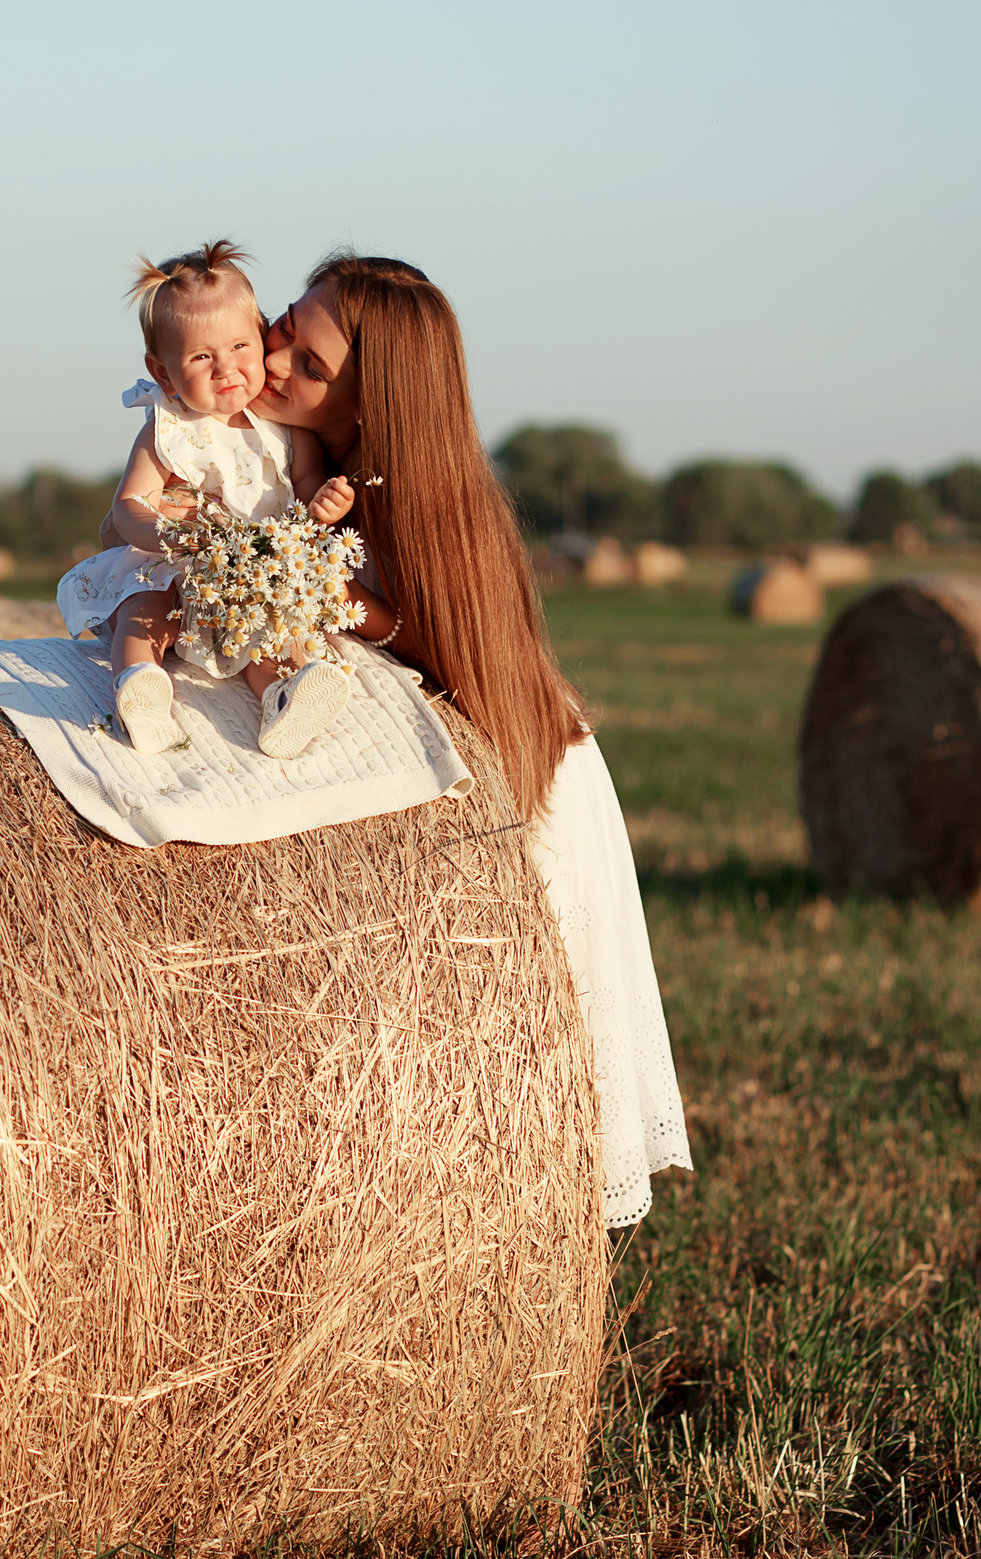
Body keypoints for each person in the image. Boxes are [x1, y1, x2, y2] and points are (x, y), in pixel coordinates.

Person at [252, 252, 694, 1227]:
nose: (276, 353)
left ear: (375, 399)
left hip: (530, 778)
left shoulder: (430, 498)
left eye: (312, 366)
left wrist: (333, 599)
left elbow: (443, 646)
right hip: (486, 751)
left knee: (538, 1049)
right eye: (286, 319)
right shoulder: (310, 452)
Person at [55, 242, 392, 760]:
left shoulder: (286, 431)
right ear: (163, 372)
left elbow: (304, 497)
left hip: (247, 576)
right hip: (178, 561)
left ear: (258, 338)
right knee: (145, 606)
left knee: (268, 629)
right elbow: (129, 505)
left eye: (240, 346)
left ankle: (286, 697)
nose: (226, 368)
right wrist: (168, 537)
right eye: (201, 356)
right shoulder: (169, 430)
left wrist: (325, 508)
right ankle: (139, 682)